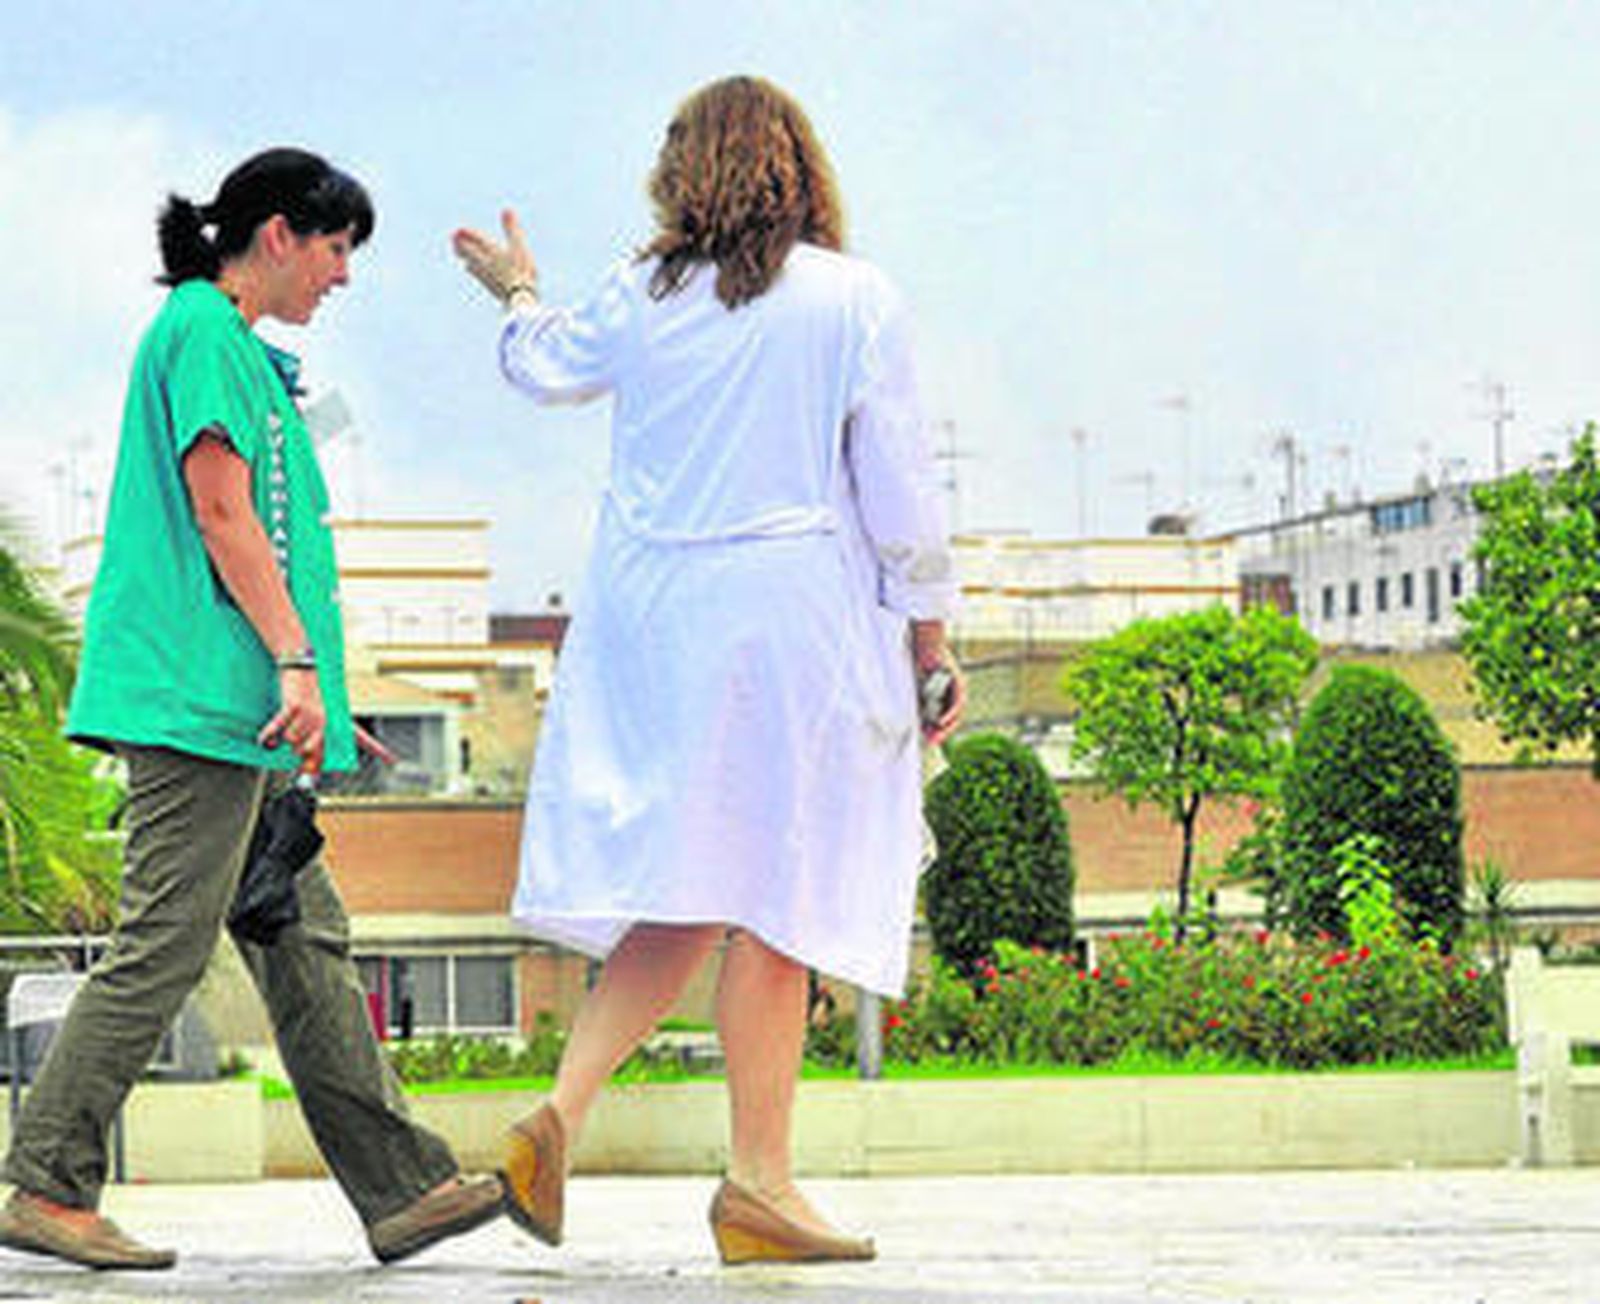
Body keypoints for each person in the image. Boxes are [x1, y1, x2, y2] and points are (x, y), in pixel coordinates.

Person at [453, 75, 964, 1264]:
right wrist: (929, 639)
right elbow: (901, 494)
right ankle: (760, 1182)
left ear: (679, 174)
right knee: (776, 898)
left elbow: (539, 367)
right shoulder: (851, 301)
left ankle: (556, 1112)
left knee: (688, 884)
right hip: (788, 619)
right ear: (802, 164)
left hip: (648, 620)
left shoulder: (642, 295)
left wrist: (517, 288)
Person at [0, 148, 504, 1271]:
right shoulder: (203, 335)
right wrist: (290, 661)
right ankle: (45, 1179)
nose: (343, 276)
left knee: (306, 939)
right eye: (336, 249)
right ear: (277, 234)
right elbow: (222, 513)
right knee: (164, 944)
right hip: (198, 706)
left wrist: (319, 683)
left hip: (253, 712)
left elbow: (272, 537)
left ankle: (404, 1188)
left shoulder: (238, 353)